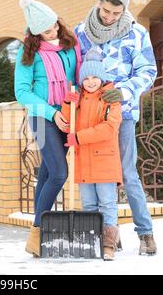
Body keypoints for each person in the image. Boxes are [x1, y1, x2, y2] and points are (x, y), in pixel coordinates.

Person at [74, 0, 158, 255]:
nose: (109, 18)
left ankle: (145, 234)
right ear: (99, 3)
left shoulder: (137, 34)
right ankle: (108, 232)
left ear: (123, 10)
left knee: (127, 174)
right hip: (89, 118)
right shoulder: (81, 33)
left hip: (122, 115)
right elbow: (75, 72)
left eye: (116, 13)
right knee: (94, 177)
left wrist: (123, 91)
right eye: (106, 11)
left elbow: (148, 71)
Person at [14, 0, 81, 257]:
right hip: (43, 117)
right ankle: (38, 230)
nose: (52, 31)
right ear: (34, 32)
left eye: (53, 25)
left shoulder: (71, 44)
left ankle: (38, 237)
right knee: (59, 174)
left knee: (47, 173)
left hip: (67, 114)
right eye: (45, 30)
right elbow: (22, 92)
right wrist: (51, 115)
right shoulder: (28, 52)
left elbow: (77, 76)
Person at [62, 49, 122, 261]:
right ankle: (94, 240)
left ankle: (108, 244)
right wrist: (68, 105)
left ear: (102, 77)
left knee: (106, 204)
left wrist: (78, 138)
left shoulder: (110, 99)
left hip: (105, 161)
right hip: (83, 163)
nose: (90, 81)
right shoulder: (78, 100)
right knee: (88, 205)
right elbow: (67, 125)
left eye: (95, 76)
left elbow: (109, 129)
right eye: (86, 78)